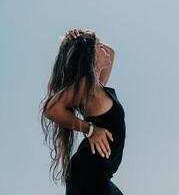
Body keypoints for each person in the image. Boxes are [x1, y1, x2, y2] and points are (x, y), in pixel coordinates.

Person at [39, 28, 126, 195]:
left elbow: (112, 52)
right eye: (99, 47)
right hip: (88, 177)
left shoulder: (96, 85)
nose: (104, 50)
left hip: (96, 176)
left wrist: (82, 39)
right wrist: (91, 130)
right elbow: (51, 109)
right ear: (90, 56)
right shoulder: (86, 85)